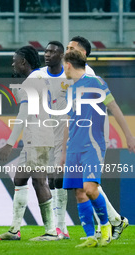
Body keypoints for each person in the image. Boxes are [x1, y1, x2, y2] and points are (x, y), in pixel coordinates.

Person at [61, 50, 135, 247]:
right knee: (79, 192)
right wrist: (63, 151)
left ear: (68, 64)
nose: (63, 69)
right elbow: (69, 120)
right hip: (74, 147)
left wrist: (129, 135)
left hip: (92, 145)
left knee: (90, 188)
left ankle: (106, 228)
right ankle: (91, 236)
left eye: (63, 65)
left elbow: (114, 108)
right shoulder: (71, 89)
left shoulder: (96, 82)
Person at [0, 46, 58, 241]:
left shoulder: (31, 81)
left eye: (15, 60)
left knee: (39, 181)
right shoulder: (40, 78)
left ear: (24, 62)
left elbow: (23, 114)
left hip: (37, 137)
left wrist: (9, 143)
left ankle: (51, 232)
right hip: (38, 135)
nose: (13, 63)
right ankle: (15, 230)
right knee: (20, 179)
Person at [40, 41, 70, 239]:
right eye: (46, 51)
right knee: (51, 180)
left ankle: (61, 226)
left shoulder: (69, 76)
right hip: (44, 133)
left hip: (65, 133)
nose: (47, 54)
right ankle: (59, 228)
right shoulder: (39, 75)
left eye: (52, 51)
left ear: (61, 55)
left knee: (61, 178)